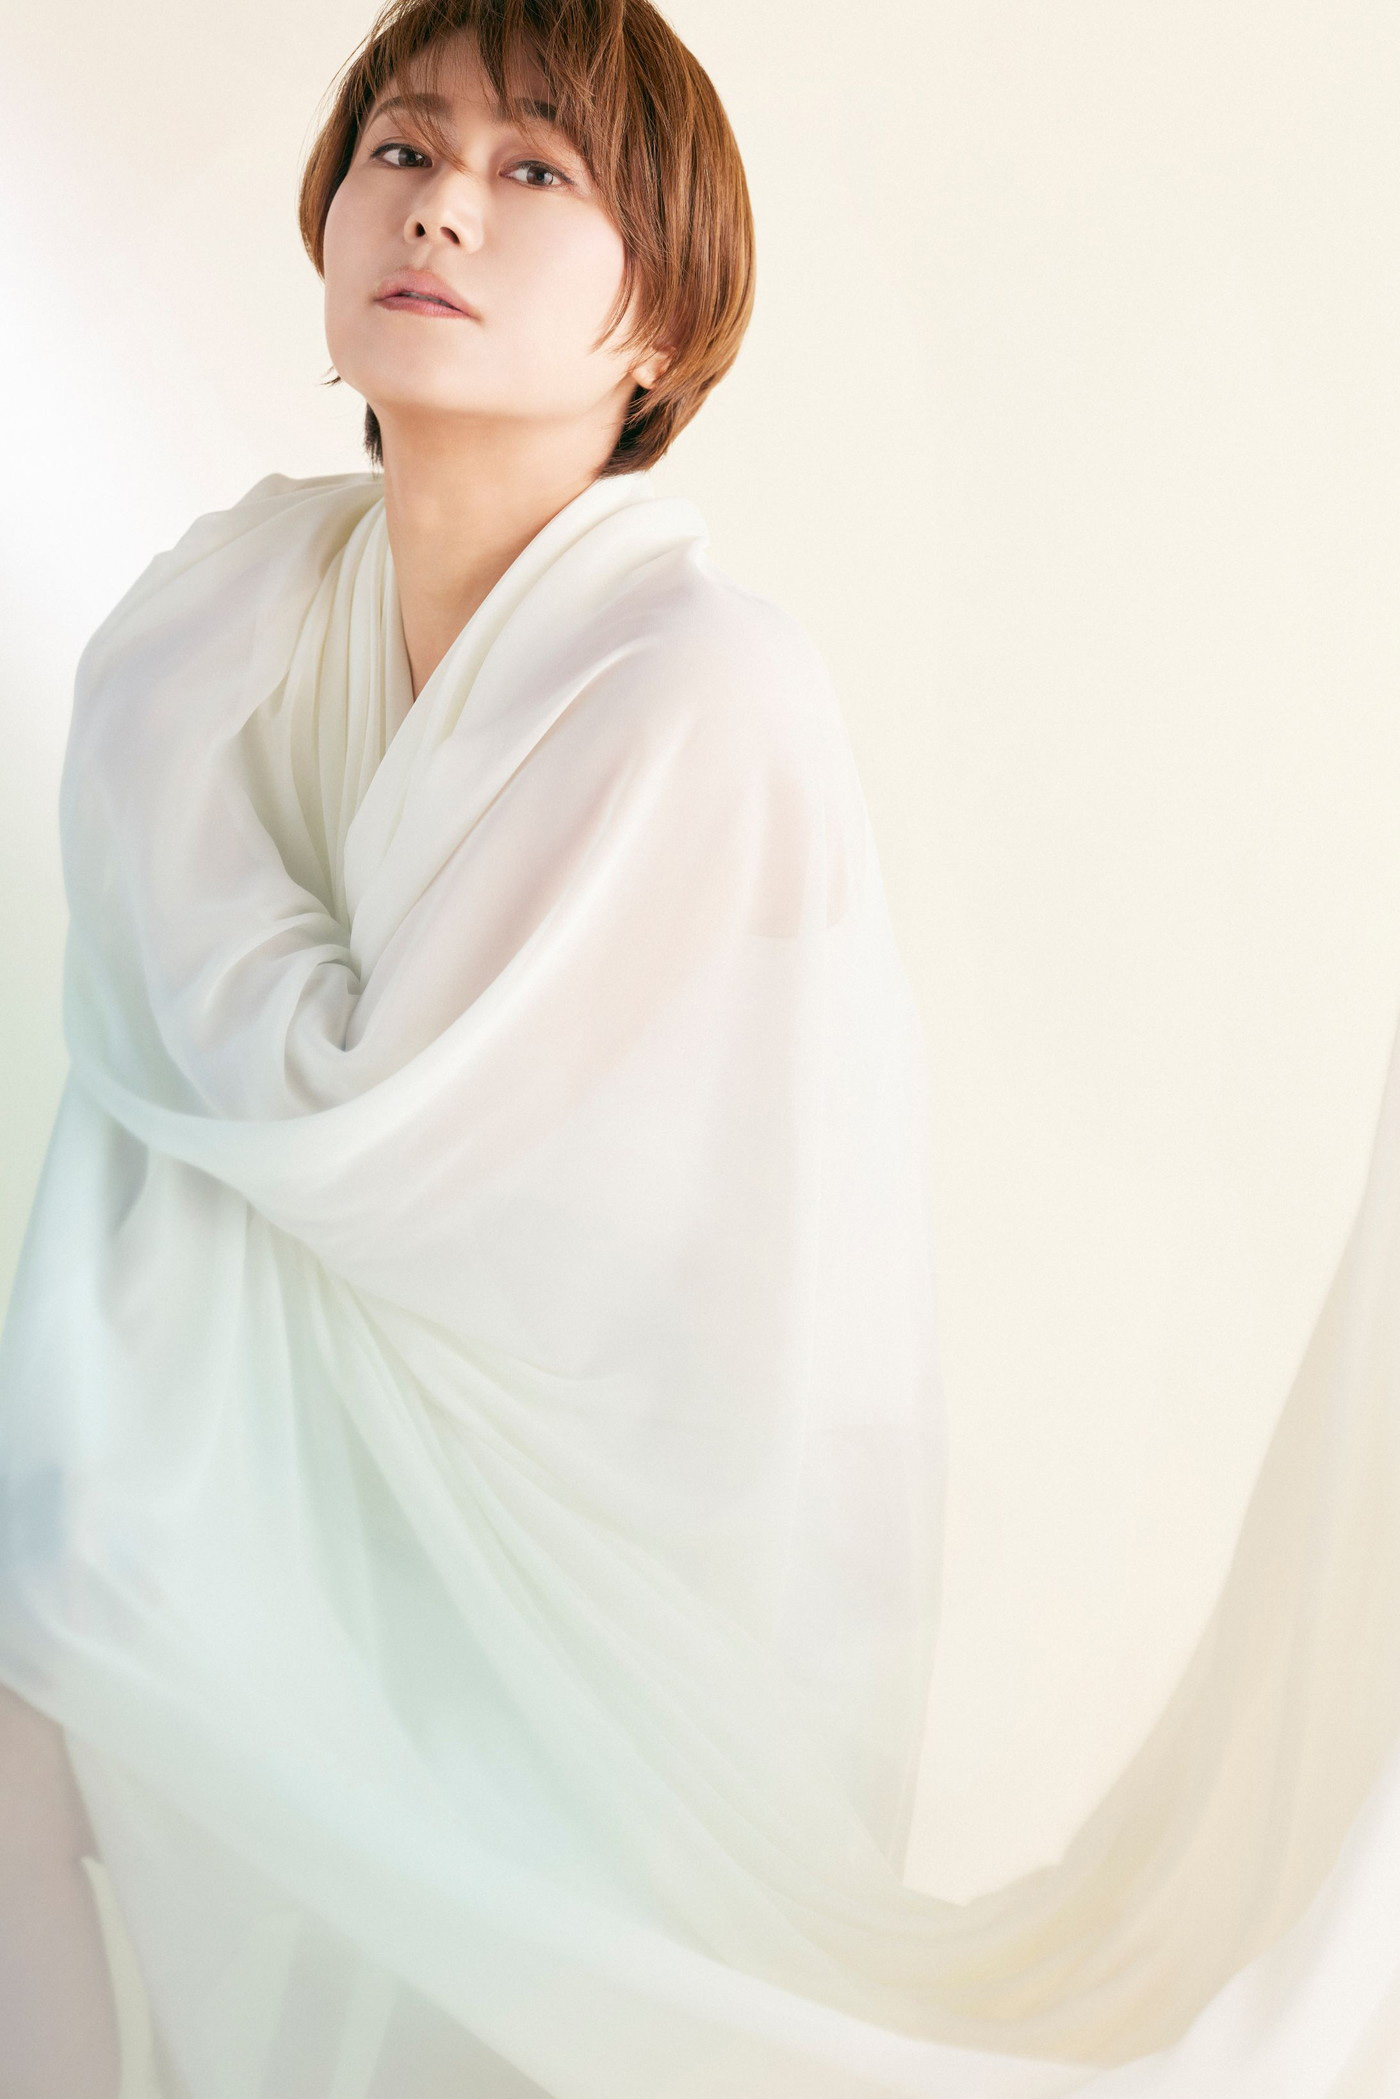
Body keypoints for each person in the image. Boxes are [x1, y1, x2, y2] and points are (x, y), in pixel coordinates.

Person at [4, 1, 1400, 2094]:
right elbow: (171, 1094)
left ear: (659, 322)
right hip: (292, 1498)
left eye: (533, 173)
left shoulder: (694, 685)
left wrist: (160, 812)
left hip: (611, 1567)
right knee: (39, 1670)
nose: (441, 208)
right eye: (402, 149)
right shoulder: (220, 615)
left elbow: (367, 1131)